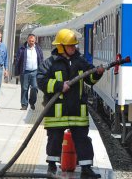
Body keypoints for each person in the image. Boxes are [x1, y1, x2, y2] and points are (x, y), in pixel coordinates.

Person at [37, 29, 104, 179]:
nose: (74, 48)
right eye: (70, 46)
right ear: (61, 46)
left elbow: (90, 79)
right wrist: (59, 86)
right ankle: (52, 166)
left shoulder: (80, 61)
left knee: (83, 140)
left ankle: (86, 168)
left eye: (74, 45)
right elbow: (41, 81)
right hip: (57, 110)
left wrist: (97, 73)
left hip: (76, 109)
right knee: (54, 139)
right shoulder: (50, 63)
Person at [14, 33, 43, 110]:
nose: (31, 42)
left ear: (35, 41)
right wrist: (17, 73)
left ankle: (32, 102)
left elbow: (41, 59)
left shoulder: (38, 49)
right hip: (25, 72)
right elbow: (17, 61)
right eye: (30, 41)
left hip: (35, 72)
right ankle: (24, 105)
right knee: (24, 88)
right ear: (27, 40)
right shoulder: (22, 49)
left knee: (35, 87)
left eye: (32, 41)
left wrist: (42, 71)